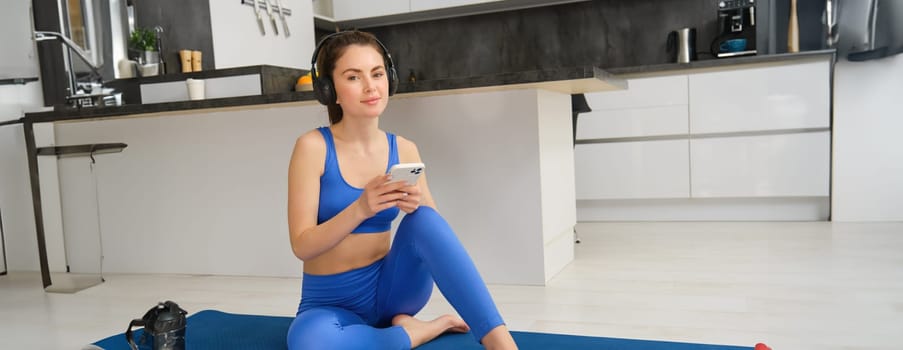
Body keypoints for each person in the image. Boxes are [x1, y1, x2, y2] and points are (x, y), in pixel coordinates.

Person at [285, 30, 519, 350]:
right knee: (309, 343)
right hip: (328, 305)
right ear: (329, 90)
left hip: (394, 292)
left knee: (424, 218)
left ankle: (500, 342)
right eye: (354, 77)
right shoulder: (312, 147)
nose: (371, 86)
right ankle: (420, 330)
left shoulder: (405, 149)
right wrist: (360, 209)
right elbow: (302, 245)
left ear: (389, 80)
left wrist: (417, 204)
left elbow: (434, 234)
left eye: (378, 74)